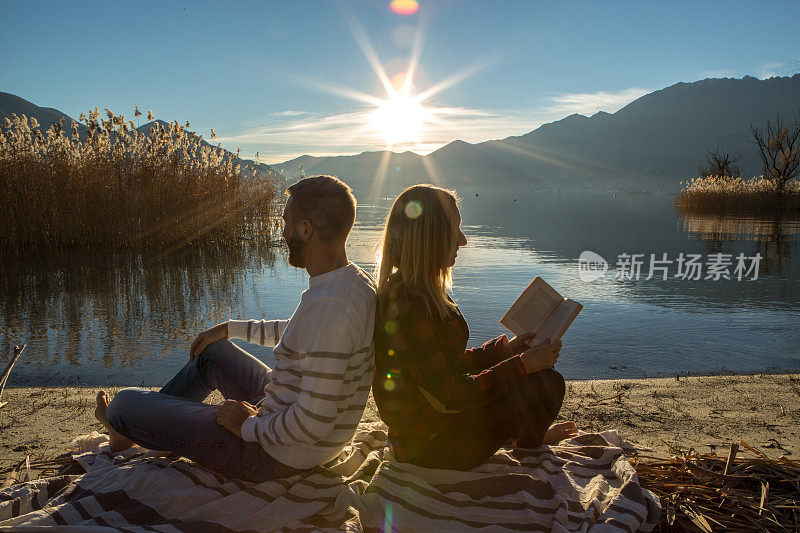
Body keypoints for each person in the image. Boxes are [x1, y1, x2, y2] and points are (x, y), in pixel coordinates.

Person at [94, 175, 377, 482]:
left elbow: (314, 423)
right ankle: (149, 424)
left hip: (274, 454)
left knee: (122, 404)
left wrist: (248, 426)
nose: (282, 232)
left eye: (286, 222)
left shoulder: (332, 306)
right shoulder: (350, 281)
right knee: (212, 352)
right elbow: (302, 334)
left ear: (305, 230)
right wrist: (231, 328)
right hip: (280, 418)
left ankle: (126, 425)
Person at [372, 184, 577, 470]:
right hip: (429, 448)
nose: (463, 240)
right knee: (544, 383)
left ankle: (527, 439)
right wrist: (521, 365)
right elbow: (447, 396)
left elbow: (445, 366)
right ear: (431, 238)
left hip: (434, 431)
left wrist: (503, 351)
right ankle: (529, 442)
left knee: (541, 375)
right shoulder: (408, 305)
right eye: (455, 230)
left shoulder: (419, 293)